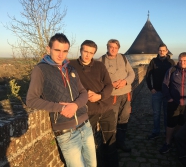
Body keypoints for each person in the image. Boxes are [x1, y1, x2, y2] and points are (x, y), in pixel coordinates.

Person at [26, 33, 97, 167]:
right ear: (48, 49)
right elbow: (31, 100)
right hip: (66, 132)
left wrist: (75, 105)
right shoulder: (40, 70)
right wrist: (61, 108)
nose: (61, 55)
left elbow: (83, 93)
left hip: (85, 125)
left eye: (65, 51)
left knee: (92, 165)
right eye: (57, 50)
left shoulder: (71, 68)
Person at [69, 40, 118, 167]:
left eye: (91, 53)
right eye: (85, 51)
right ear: (80, 50)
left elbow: (109, 85)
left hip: (105, 108)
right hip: (88, 112)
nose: (87, 55)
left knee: (110, 141)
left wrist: (99, 96)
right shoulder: (71, 65)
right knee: (90, 145)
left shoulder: (99, 66)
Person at [98, 39, 135, 152]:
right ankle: (111, 145)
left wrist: (125, 82)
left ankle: (121, 142)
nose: (113, 49)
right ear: (107, 47)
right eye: (111, 47)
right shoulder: (101, 60)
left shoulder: (123, 58)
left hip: (126, 94)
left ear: (118, 48)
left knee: (124, 119)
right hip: (112, 96)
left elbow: (131, 73)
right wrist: (112, 85)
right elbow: (98, 80)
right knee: (111, 121)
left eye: (115, 47)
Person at [159, 52, 186, 153]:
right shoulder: (172, 70)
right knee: (170, 123)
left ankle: (177, 141)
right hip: (174, 102)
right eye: (180, 60)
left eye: (184, 60)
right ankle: (167, 142)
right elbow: (164, 84)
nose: (182, 62)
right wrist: (168, 98)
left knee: (181, 123)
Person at [145, 43, 175, 140]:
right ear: (158, 51)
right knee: (156, 113)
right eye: (160, 50)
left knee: (167, 114)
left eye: (163, 50)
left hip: (167, 93)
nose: (161, 52)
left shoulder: (171, 62)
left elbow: (174, 77)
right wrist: (151, 88)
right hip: (157, 91)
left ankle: (167, 133)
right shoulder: (153, 61)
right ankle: (156, 131)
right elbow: (147, 75)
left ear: (167, 51)